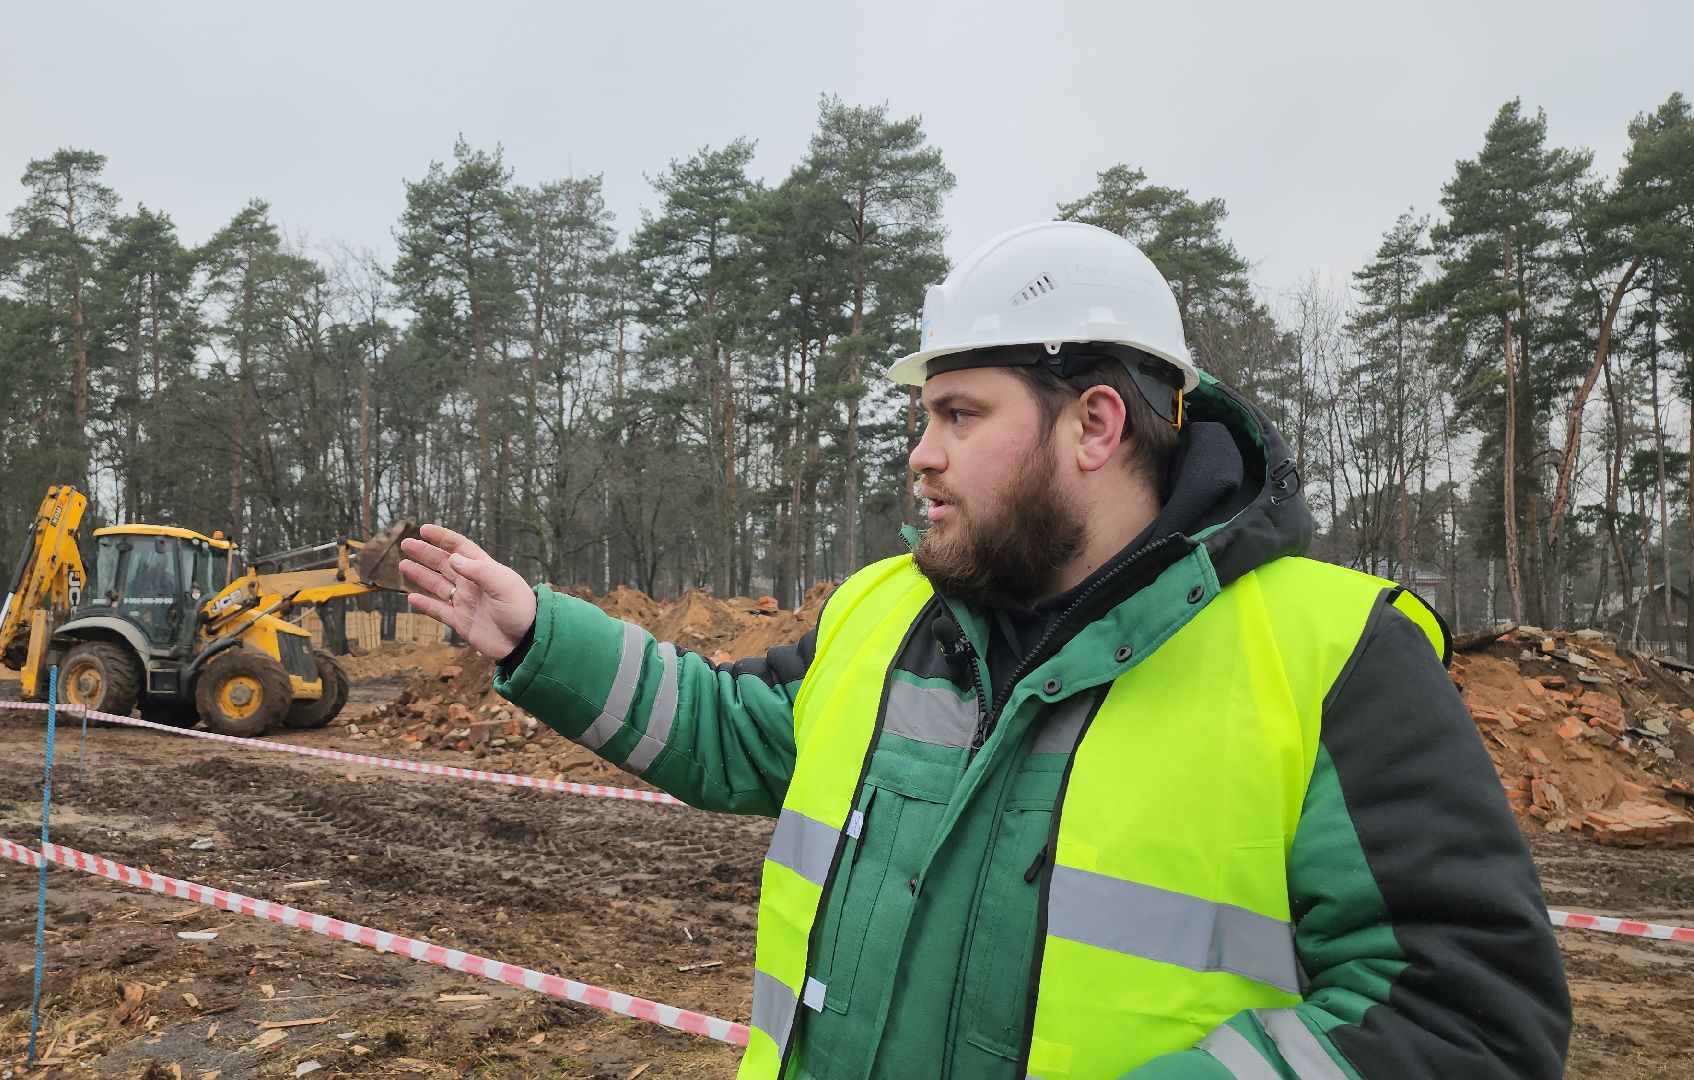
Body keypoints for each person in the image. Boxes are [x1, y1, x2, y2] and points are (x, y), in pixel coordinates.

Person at [399, 222, 1570, 1079]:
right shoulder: (885, 609)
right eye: (926, 418)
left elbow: (1466, 1016)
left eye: (959, 415)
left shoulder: (1331, 655)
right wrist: (539, 635)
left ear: (1095, 424)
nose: (920, 453)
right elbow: (733, 733)